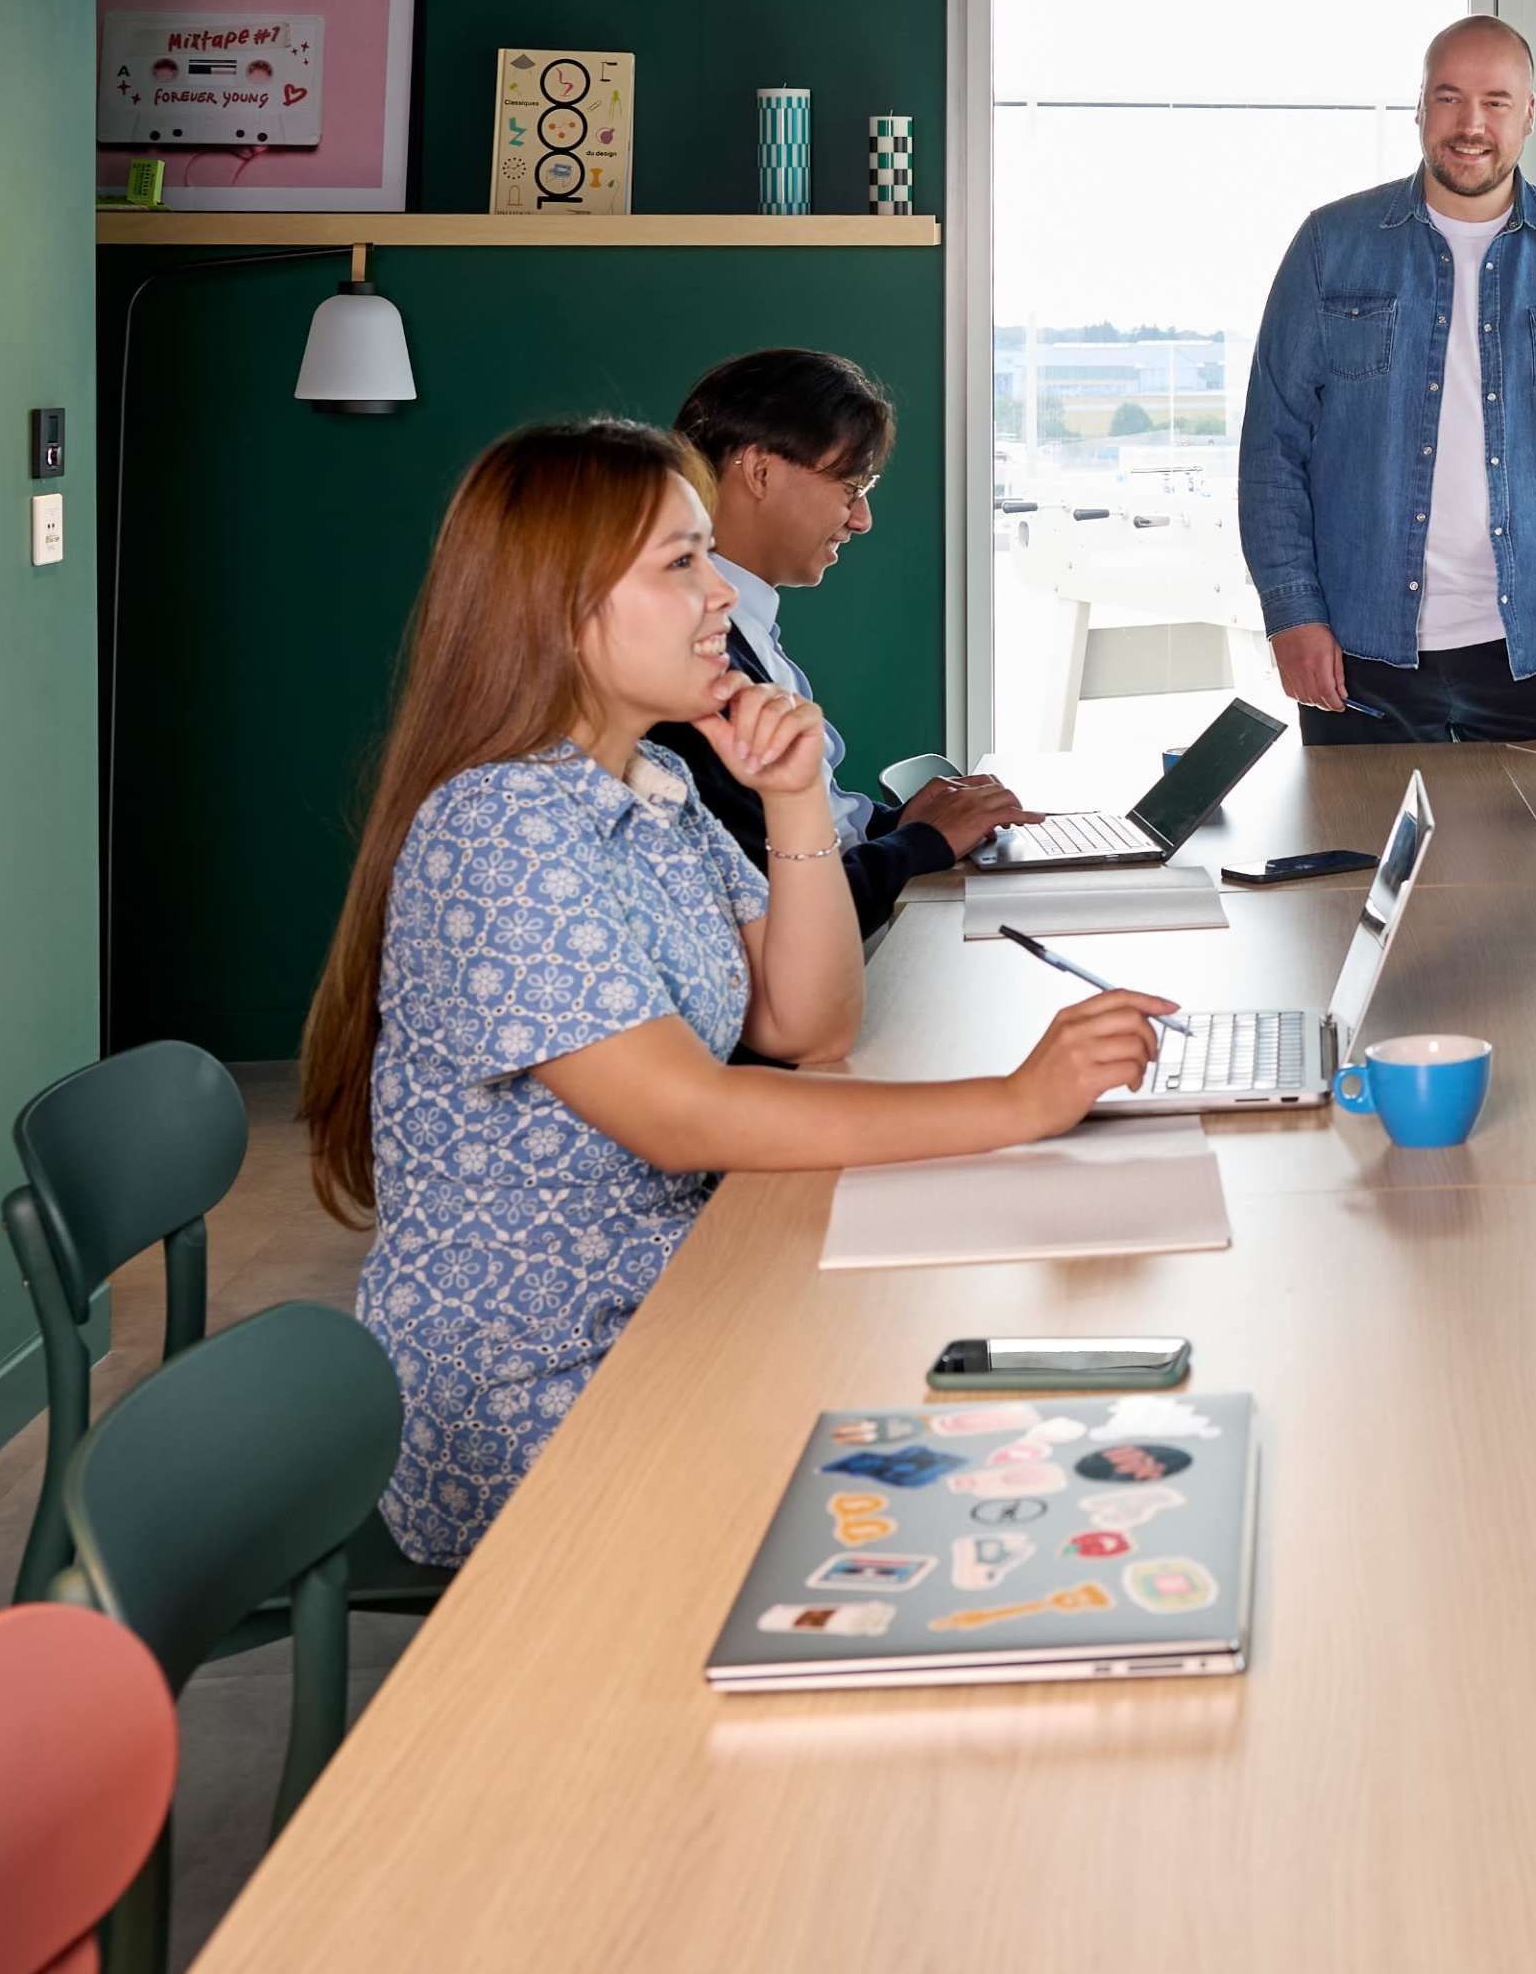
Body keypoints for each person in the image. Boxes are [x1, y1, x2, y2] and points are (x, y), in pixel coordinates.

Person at [302, 419, 1173, 1566]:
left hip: (676, 1301)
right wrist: (1014, 1104)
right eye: (679, 563)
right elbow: (683, 1115)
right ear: (558, 605)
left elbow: (808, 1024)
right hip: (544, 1390)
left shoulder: (649, 783)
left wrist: (796, 797)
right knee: (963, 1489)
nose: (720, 594)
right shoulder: (502, 824)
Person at [1238, 15, 1536, 745]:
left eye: (1496, 102)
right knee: (1353, 859)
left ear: (1529, 114)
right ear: (1419, 106)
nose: (1471, 124)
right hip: (1357, 662)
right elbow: (1273, 451)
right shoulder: (1329, 246)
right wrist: (1292, 613)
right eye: (1448, 98)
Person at [646, 349, 1035, 937]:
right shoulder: (697, 668)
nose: (862, 518)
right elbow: (780, 910)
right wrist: (921, 841)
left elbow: (814, 836)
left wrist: (909, 824)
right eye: (851, 487)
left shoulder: (751, 633)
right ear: (760, 472)